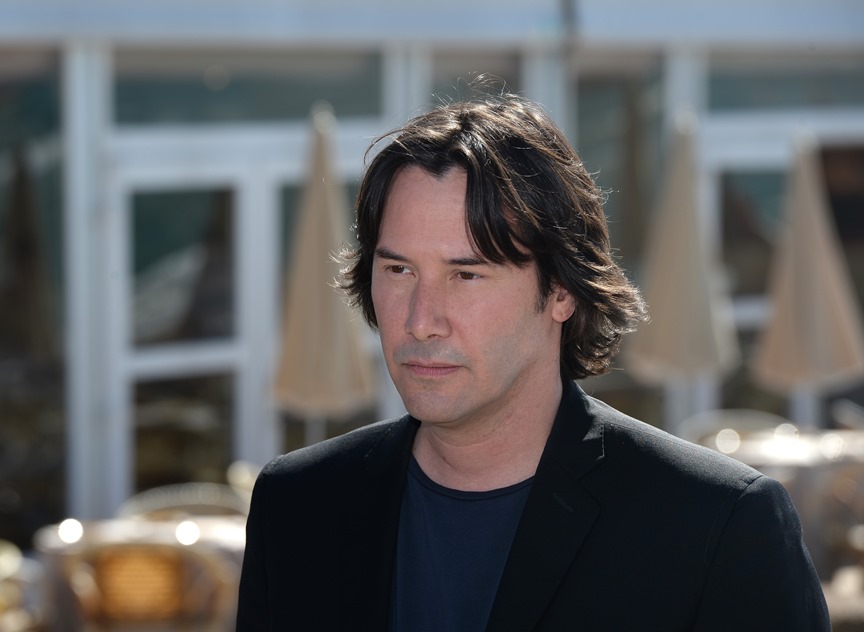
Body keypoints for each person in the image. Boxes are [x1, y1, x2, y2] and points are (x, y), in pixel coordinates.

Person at [236, 92, 830, 630]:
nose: (420, 320)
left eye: (466, 275)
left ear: (562, 290)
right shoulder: (296, 506)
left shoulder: (716, 526)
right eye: (398, 269)